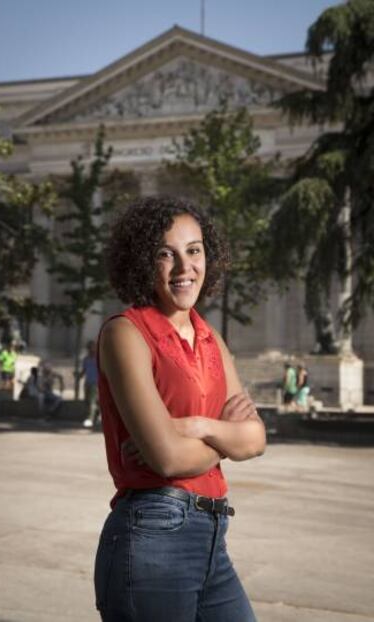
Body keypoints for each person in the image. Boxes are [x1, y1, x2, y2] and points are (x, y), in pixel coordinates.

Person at [94, 196, 266, 622]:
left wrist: (195, 425)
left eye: (194, 250)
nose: (183, 267)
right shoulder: (125, 334)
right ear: (142, 262)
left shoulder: (210, 338)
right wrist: (226, 436)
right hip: (152, 533)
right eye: (164, 254)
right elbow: (167, 457)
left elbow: (257, 438)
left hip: (212, 535)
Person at [79, 340, 100, 429]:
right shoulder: (86, 359)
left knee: (92, 401)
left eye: (92, 347)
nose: (91, 349)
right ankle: (97, 415)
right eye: (89, 347)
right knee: (87, 401)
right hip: (87, 382)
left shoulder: (98, 358)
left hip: (95, 383)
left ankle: (90, 419)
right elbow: (84, 370)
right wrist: (79, 376)